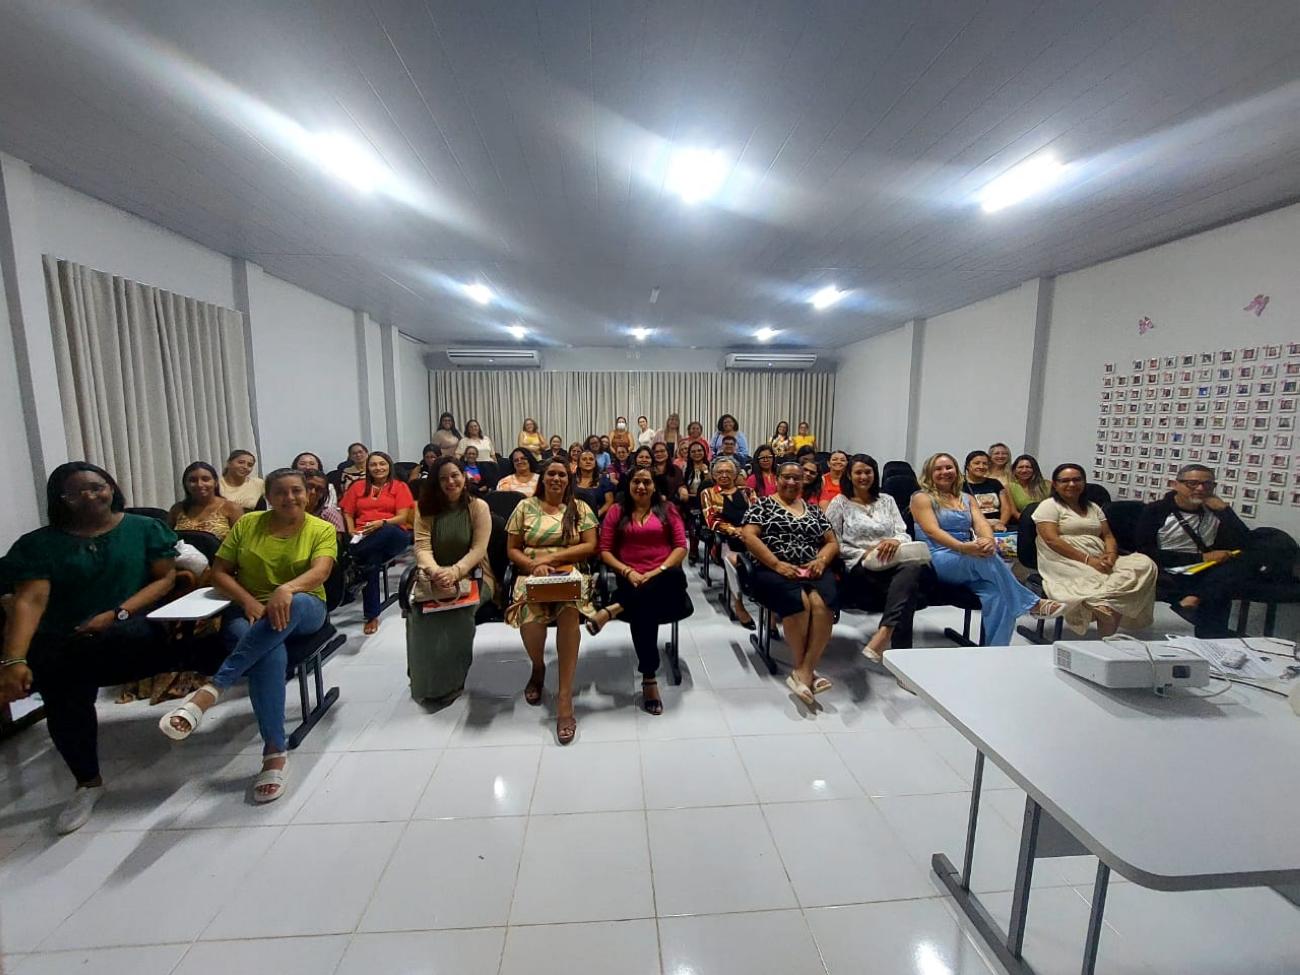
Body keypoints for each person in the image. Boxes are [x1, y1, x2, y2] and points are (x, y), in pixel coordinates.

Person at [0, 463, 218, 833]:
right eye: (75, 492)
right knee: (56, 673)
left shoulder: (144, 528)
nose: (89, 496)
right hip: (67, 639)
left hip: (130, 629)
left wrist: (117, 613)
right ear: (60, 499)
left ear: (111, 487)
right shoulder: (40, 544)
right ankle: (87, 782)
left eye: (96, 486)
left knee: (82, 656)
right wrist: (15, 659)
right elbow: (31, 601)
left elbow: (166, 578)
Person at [161, 469, 336, 804]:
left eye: (296, 491)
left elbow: (321, 571)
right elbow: (219, 573)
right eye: (280, 492)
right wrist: (248, 602)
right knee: (269, 652)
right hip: (250, 609)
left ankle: (212, 690)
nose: (289, 498)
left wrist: (286, 589)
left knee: (293, 606)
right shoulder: (248, 524)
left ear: (308, 494)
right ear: (268, 497)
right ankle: (274, 751)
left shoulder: (321, 528)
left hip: (305, 607)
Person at [910, 453, 1063, 646]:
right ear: (929, 473)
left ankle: (995, 650)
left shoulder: (966, 498)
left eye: (949, 467)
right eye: (938, 469)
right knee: (984, 557)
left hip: (968, 555)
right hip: (938, 556)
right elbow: (932, 531)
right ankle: (1032, 603)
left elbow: (981, 524)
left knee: (999, 596)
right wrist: (962, 547)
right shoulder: (921, 498)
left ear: (956, 471)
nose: (944, 472)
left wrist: (988, 540)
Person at [505, 459, 599, 745]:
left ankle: (565, 699)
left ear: (568, 480)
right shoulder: (524, 507)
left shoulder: (579, 508)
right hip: (532, 575)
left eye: (562, 474)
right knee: (530, 620)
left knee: (569, 612)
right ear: (542, 478)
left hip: (571, 573)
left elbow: (590, 545)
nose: (557, 478)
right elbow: (513, 549)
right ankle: (538, 667)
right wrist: (533, 566)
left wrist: (553, 558)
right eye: (551, 474)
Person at [588, 470, 693, 715]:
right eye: (637, 481)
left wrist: (658, 570)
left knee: (673, 576)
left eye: (647, 482)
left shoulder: (667, 509)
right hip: (630, 578)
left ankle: (614, 608)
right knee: (644, 611)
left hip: (664, 576)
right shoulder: (617, 511)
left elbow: (680, 546)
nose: (642, 486)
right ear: (629, 484)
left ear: (654, 486)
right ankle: (649, 677)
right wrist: (627, 571)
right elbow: (605, 550)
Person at [742, 459, 840, 708]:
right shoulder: (763, 505)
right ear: (777, 479)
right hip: (773, 569)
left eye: (797, 478)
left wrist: (821, 560)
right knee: (800, 603)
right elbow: (749, 536)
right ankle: (804, 668)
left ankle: (804, 671)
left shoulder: (813, 510)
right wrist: (776, 564)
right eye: (786, 477)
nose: (792, 482)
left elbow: (831, 542)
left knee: (823, 605)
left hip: (812, 568)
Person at [409, 457, 496, 702]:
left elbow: (478, 549)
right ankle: (425, 681)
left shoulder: (478, 507)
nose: (450, 482)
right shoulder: (425, 508)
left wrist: (455, 572)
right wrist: (436, 571)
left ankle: (451, 682)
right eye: (443, 478)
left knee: (457, 613)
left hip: (475, 576)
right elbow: (422, 547)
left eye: (455, 475)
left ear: (464, 477)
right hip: (434, 577)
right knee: (420, 614)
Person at [1135, 464, 1258, 638]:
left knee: (1243, 563)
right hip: (1170, 568)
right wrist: (1201, 557)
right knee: (1216, 587)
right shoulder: (1156, 511)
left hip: (1207, 570)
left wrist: (1226, 511)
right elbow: (1146, 551)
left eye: (1207, 485)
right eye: (1192, 483)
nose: (1200, 489)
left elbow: (1245, 542)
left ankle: (1197, 605)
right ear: (1176, 485)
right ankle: (1203, 620)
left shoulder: (1214, 511)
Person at [1033, 465, 1157, 637]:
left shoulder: (1093, 507)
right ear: (1055, 484)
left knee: (1144, 564)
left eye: (1077, 480)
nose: (1071, 484)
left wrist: (1111, 555)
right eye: (1065, 480)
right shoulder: (1049, 506)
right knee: (1098, 579)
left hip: (1099, 555)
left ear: (1084, 482)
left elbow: (1108, 536)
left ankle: (1102, 603)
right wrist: (1088, 560)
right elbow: (1051, 540)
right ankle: (1102, 608)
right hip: (1062, 558)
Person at [826, 454, 925, 662]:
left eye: (868, 472)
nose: (864, 477)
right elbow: (832, 542)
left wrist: (895, 541)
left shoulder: (887, 500)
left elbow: (903, 532)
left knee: (910, 571)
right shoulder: (840, 502)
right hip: (860, 565)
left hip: (893, 561)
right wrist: (865, 552)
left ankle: (884, 632)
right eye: (858, 472)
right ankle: (902, 656)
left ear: (875, 474)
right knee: (909, 585)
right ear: (849, 475)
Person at [340, 451, 415, 635]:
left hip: (393, 534)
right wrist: (351, 530)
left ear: (389, 466)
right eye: (373, 464)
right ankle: (371, 615)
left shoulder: (399, 486)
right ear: (368, 467)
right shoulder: (358, 487)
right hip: (365, 537)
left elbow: (402, 517)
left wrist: (381, 523)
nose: (378, 468)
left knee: (387, 531)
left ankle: (351, 557)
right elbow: (347, 511)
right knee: (371, 562)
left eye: (382, 464)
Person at [700, 456, 754, 628]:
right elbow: (711, 520)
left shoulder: (747, 492)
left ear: (736, 473)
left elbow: (757, 515)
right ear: (714, 475)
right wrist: (734, 531)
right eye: (720, 472)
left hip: (751, 537)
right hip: (723, 541)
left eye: (728, 472)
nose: (724, 475)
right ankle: (738, 603)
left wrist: (748, 531)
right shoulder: (708, 493)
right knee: (733, 561)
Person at [169, 461, 244, 539]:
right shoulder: (177, 509)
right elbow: (167, 540)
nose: (199, 484)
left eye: (205, 479)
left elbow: (242, 541)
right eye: (193, 480)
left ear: (216, 482)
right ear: (185, 484)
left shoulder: (232, 509)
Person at [962, 450, 1007, 530]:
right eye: (977, 463)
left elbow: (1006, 508)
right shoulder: (960, 486)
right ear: (968, 466)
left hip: (998, 526)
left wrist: (1001, 523)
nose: (981, 466)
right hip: (973, 527)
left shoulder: (995, 483)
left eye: (985, 464)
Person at [1002, 454, 1052, 524]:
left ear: (1035, 469)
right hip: (1024, 523)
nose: (1024, 470)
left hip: (1048, 521)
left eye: (1028, 467)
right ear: (1014, 470)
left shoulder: (1048, 485)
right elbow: (1014, 512)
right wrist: (1030, 523)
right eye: (1020, 467)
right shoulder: (1009, 487)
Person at [573, 449, 615, 518]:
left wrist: (597, 514)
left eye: (591, 459)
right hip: (574, 516)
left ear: (595, 463)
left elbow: (609, 501)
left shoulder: (604, 480)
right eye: (584, 459)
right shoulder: (571, 480)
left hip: (597, 518)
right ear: (579, 464)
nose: (588, 461)